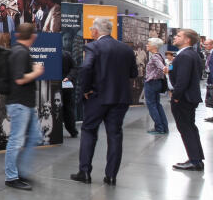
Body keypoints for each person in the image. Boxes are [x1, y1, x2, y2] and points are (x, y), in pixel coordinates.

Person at [71, 18, 138, 186]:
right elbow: (133, 73)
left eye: (92, 29)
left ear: (95, 31)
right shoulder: (126, 49)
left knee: (88, 131)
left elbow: (86, 68)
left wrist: (85, 89)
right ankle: (111, 176)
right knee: (115, 135)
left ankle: (84, 172)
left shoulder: (93, 47)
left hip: (97, 98)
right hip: (120, 98)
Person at [4, 22, 45, 190]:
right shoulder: (20, 53)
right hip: (20, 103)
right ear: (33, 36)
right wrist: (36, 72)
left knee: (34, 136)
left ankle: (19, 170)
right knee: (16, 140)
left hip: (23, 103)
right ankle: (12, 176)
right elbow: (19, 79)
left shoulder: (18, 51)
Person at [170, 28, 206, 171]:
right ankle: (196, 158)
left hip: (184, 98)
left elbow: (183, 79)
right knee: (190, 127)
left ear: (187, 40)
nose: (175, 37)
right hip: (190, 97)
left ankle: (194, 160)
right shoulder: (191, 54)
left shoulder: (185, 56)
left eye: (178, 36)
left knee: (186, 128)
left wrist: (176, 97)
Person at [143, 37, 170, 136]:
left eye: (148, 43)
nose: (147, 45)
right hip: (157, 83)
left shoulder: (155, 57)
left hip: (151, 83)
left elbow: (161, 66)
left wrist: (165, 68)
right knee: (157, 104)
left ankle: (159, 128)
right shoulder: (159, 56)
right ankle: (164, 127)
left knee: (152, 105)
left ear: (154, 46)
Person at [59, 49, 78, 138]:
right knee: (68, 108)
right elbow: (74, 68)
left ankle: (56, 132)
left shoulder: (48, 52)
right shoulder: (66, 54)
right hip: (67, 85)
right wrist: (69, 77)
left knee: (59, 108)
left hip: (56, 85)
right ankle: (72, 130)